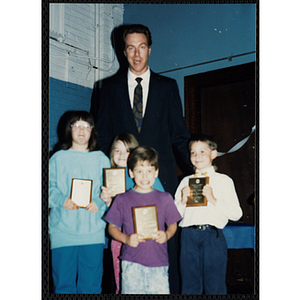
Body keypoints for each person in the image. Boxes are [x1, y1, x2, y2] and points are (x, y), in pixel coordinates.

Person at [92, 25, 192, 292]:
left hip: (161, 181)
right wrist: (105, 179)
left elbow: (179, 135)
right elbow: (101, 140)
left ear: (150, 48)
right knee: (128, 246)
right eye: (130, 48)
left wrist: (197, 169)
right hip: (125, 183)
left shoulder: (168, 87)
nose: (137, 54)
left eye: (142, 47)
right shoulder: (107, 88)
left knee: (165, 244)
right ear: (123, 51)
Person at [104, 146, 182, 294]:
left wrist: (166, 235)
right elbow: (112, 228)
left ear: (156, 172)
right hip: (131, 263)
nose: (145, 177)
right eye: (139, 171)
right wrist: (126, 239)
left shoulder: (165, 198)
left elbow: (173, 224)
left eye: (149, 171)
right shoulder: (122, 199)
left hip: (158, 263)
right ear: (131, 172)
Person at [48, 111, 111, 294]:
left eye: (86, 126)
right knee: (63, 285)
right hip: (62, 230)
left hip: (92, 231)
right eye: (76, 126)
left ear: (92, 131)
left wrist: (99, 202)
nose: (81, 130)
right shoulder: (57, 158)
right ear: (69, 130)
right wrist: (61, 200)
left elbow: (109, 189)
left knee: (91, 285)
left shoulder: (101, 159)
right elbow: (47, 186)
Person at [174, 134, 243, 294]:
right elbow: (173, 217)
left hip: (212, 236)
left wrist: (213, 199)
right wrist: (182, 201)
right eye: (193, 152)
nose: (197, 156)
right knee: (189, 285)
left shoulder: (224, 181)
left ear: (213, 154)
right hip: (188, 236)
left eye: (202, 152)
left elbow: (236, 214)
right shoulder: (185, 182)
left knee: (215, 285)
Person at [100, 133, 164, 294]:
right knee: (122, 279)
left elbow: (160, 203)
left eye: (127, 151)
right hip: (120, 236)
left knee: (148, 278)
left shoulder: (144, 176)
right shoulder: (108, 177)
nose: (122, 155)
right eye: (117, 151)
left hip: (145, 234)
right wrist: (107, 203)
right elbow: (109, 215)